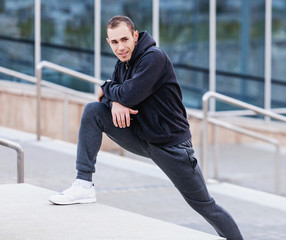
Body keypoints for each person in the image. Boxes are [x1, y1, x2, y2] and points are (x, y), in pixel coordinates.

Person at [48, 15, 243, 240]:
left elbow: (129, 93)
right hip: (141, 137)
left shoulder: (154, 58)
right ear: (108, 42)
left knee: (204, 205)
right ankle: (83, 184)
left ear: (135, 36)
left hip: (172, 146)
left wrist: (108, 87)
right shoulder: (123, 64)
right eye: (114, 42)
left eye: (124, 40)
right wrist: (115, 102)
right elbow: (107, 99)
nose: (120, 47)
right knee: (93, 111)